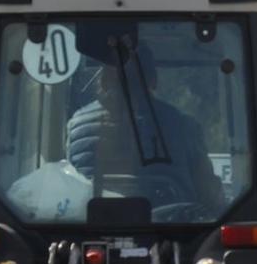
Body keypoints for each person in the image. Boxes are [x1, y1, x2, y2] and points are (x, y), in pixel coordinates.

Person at [66, 42, 222, 214]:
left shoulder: (76, 126)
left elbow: (70, 191)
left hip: (91, 230)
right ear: (153, 80)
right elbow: (210, 195)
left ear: (103, 81)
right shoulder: (184, 126)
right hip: (171, 230)